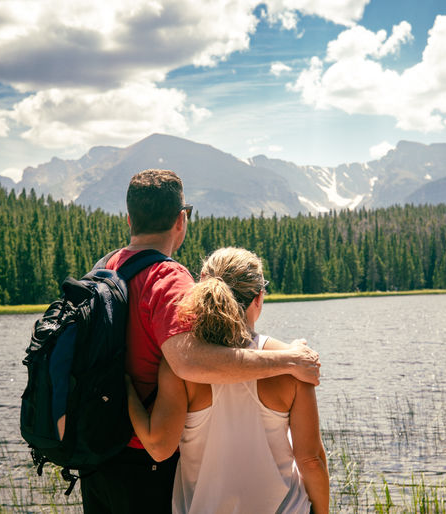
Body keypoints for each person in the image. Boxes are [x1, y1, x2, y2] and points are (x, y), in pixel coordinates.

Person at [79, 169, 320, 513]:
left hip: (97, 456)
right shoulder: (167, 276)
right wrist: (288, 361)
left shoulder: (107, 268)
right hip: (141, 464)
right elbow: (189, 361)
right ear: (181, 219)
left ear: (129, 219)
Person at [126, 247, 329, 513]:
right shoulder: (293, 361)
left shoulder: (182, 365)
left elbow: (158, 446)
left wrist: (126, 388)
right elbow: (311, 460)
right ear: (259, 298)